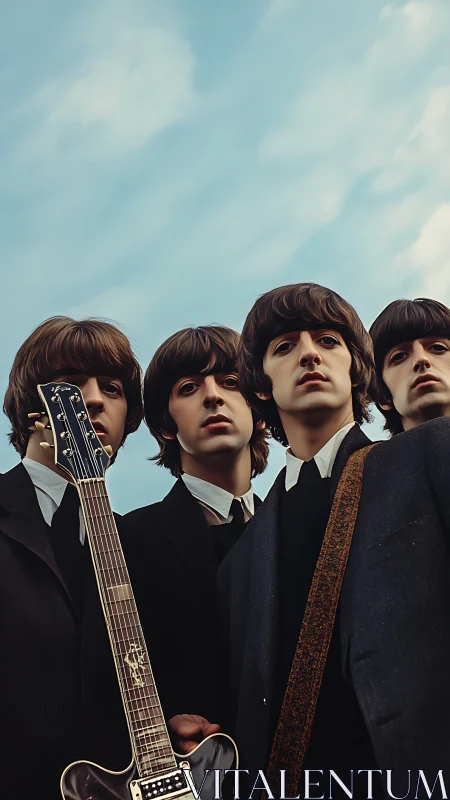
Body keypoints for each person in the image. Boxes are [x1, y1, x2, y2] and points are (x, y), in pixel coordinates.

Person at [217, 284, 378, 795]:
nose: (309, 352)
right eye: (284, 347)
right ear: (261, 387)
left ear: (355, 367)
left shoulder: (424, 465)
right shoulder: (239, 558)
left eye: (328, 340)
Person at [0, 316, 142, 800]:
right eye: (73, 384)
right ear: (32, 408)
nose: (96, 399)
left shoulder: (138, 545)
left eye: (113, 388)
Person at [121, 325, 269, 753]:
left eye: (231, 382)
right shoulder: (129, 539)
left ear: (259, 408)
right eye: (189, 387)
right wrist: (164, 724)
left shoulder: (296, 522)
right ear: (167, 426)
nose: (212, 396)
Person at [369, 297, 450, 433]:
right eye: (399, 356)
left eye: (438, 348)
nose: (421, 359)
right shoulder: (364, 455)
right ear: (383, 395)